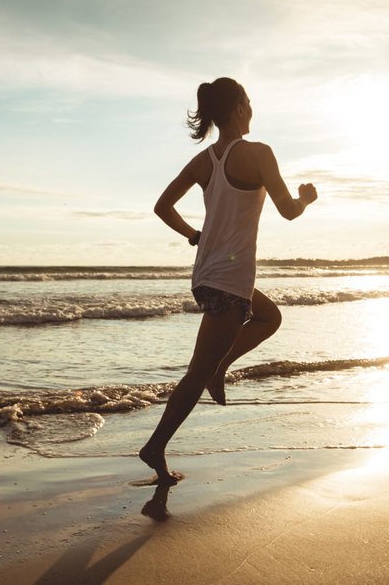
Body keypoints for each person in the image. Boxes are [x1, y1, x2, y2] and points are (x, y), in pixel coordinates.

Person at [137, 77, 318, 484]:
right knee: (196, 372)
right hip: (228, 277)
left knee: (268, 317)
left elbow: (162, 206)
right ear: (238, 109)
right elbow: (288, 210)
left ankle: (221, 368)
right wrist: (306, 199)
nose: (252, 109)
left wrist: (195, 236)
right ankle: (155, 447)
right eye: (249, 102)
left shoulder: (206, 159)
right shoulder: (258, 153)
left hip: (209, 273)